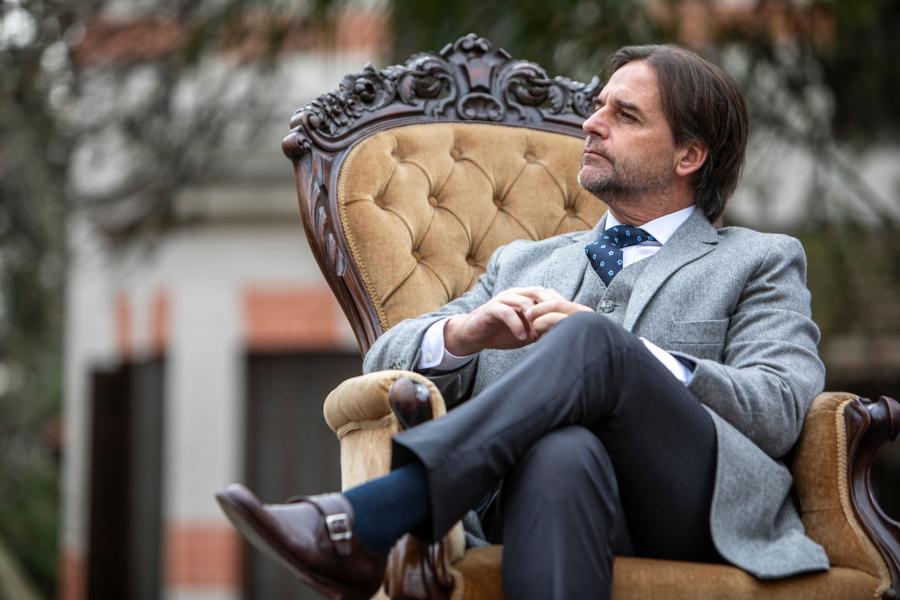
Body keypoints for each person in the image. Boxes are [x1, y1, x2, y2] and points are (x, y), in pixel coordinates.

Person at [216, 44, 829, 599]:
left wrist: (628, 356)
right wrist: (462, 336)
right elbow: (383, 361)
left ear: (688, 156)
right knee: (564, 451)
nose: (592, 124)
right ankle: (382, 513)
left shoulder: (759, 260)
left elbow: (777, 409)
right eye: (598, 107)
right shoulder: (521, 262)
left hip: (697, 514)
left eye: (626, 115)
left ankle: (380, 513)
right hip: (540, 503)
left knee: (597, 340)